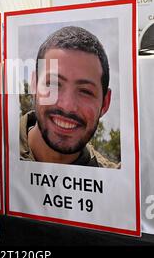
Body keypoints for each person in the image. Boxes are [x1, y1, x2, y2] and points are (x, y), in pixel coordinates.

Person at [20, 26, 120, 168]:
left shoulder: (117, 186)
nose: (67, 105)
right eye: (53, 84)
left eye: (85, 91)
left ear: (105, 103)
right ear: (34, 85)